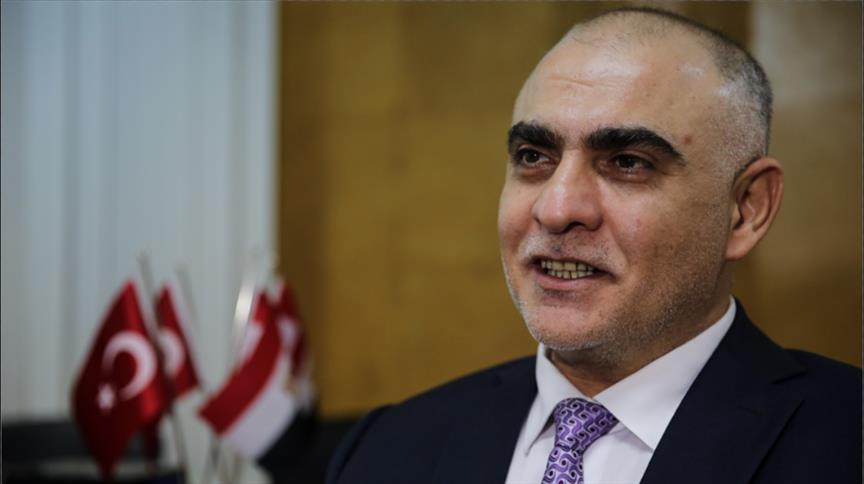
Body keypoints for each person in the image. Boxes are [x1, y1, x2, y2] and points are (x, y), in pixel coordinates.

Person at [326, 7, 862, 484]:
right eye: (534, 157)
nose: (557, 209)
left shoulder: (846, 440)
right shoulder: (388, 448)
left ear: (746, 208)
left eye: (628, 163)